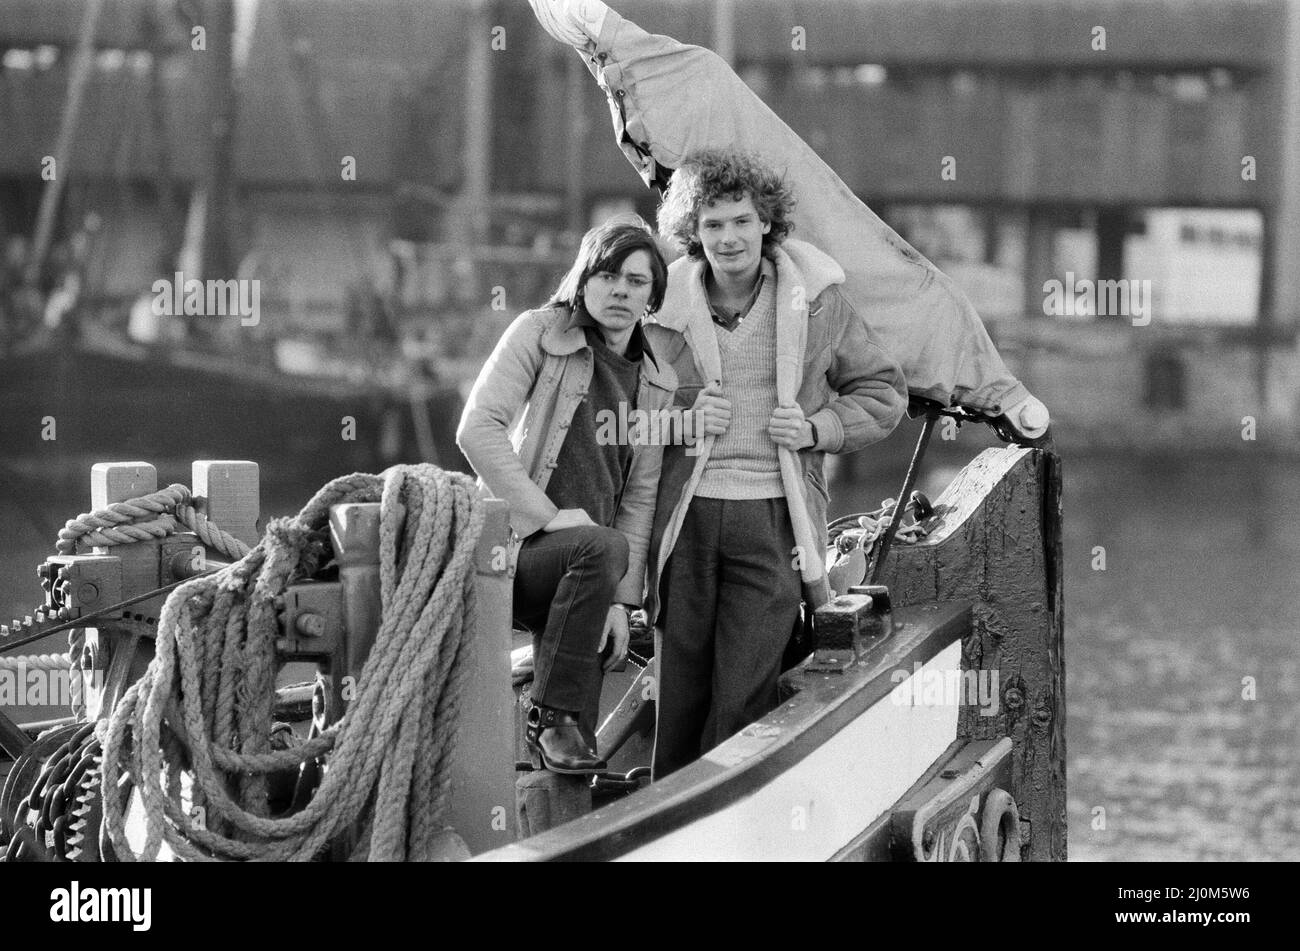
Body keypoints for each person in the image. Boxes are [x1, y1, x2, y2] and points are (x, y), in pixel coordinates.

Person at [642, 150, 909, 778]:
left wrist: (818, 427)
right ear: (693, 233)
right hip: (682, 523)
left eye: (741, 220)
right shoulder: (659, 308)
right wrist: (681, 421)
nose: (728, 237)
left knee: (744, 694)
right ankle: (669, 834)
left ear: (767, 222)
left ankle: (729, 830)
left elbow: (884, 391)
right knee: (678, 695)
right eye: (712, 225)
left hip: (775, 522)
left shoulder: (816, 301)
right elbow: (621, 418)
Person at [456, 216, 675, 775]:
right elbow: (477, 428)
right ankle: (549, 717)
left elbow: (639, 497)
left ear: (653, 295)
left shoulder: (657, 380)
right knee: (597, 547)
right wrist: (548, 517)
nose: (621, 291)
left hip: (591, 570)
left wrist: (623, 603)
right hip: (514, 552)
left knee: (579, 756)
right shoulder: (540, 333)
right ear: (582, 279)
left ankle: (559, 775)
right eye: (607, 276)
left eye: (637, 281)